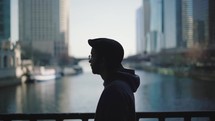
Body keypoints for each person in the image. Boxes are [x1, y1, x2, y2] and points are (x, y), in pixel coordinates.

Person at [88, 38, 140, 121]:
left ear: (102, 60)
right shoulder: (121, 85)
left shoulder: (114, 90)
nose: (90, 60)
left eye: (93, 56)